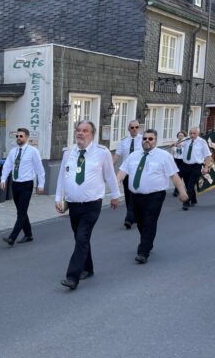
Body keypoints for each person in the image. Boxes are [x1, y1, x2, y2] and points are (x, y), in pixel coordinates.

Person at [54, 120, 120, 290]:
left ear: (92, 134)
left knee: (82, 237)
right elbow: (62, 176)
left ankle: (72, 277)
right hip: (73, 205)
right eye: (78, 130)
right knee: (80, 238)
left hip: (92, 204)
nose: (80, 133)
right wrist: (57, 198)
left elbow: (110, 175)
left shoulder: (102, 152)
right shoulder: (68, 153)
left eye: (85, 131)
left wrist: (115, 195)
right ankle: (88, 268)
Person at [116, 129, 188, 263]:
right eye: (145, 139)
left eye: (150, 139)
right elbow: (121, 172)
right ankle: (147, 242)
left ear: (156, 140)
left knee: (149, 221)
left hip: (155, 196)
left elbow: (174, 176)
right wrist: (115, 188)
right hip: (135, 195)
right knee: (140, 222)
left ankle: (143, 251)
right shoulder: (134, 155)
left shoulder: (164, 156)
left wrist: (182, 192)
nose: (147, 141)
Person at [0, 128, 45, 245]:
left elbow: (39, 169)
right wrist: (3, 179)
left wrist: (41, 184)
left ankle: (12, 237)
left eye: (21, 136)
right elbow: (7, 166)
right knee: (21, 211)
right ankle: (28, 234)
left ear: (27, 137)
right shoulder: (13, 151)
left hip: (27, 184)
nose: (18, 138)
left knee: (21, 212)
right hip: (15, 184)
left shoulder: (33, 151)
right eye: (17, 136)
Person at [113, 120, 142, 228]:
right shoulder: (124, 142)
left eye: (136, 127)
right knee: (128, 196)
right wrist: (109, 168)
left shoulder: (144, 140)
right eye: (132, 127)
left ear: (139, 128)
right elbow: (117, 155)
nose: (134, 129)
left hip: (139, 172)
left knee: (136, 195)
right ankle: (132, 215)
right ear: (128, 129)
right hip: (126, 172)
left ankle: (129, 218)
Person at [181, 127, 212, 211]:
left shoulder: (202, 142)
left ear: (198, 134)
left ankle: (186, 203)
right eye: (190, 133)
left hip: (196, 166)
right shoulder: (186, 140)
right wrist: (174, 143)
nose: (192, 135)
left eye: (194, 133)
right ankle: (193, 200)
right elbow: (179, 144)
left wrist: (206, 167)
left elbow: (208, 156)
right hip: (185, 165)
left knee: (191, 185)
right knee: (187, 185)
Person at [171, 130, 187, 197]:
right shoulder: (176, 142)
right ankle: (178, 189)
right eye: (179, 135)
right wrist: (173, 146)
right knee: (177, 174)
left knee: (179, 175)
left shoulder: (185, 141)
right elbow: (174, 151)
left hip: (182, 160)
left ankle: (177, 190)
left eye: (181, 135)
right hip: (176, 159)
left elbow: (183, 148)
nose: (180, 136)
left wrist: (177, 145)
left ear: (184, 135)